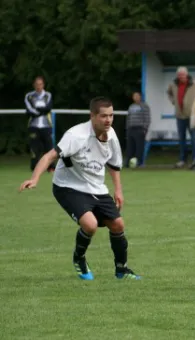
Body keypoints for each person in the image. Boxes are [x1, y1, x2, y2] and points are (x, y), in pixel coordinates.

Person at [18, 97, 141, 281]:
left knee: (118, 225)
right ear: (92, 116)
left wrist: (118, 190)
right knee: (90, 225)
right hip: (68, 186)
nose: (108, 120)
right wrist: (34, 179)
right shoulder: (76, 136)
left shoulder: (111, 135)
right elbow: (49, 157)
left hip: (96, 187)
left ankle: (121, 270)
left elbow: (114, 165)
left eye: (111, 115)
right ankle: (79, 258)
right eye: (103, 116)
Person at [166, 66, 195, 168]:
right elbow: (169, 93)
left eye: (183, 75)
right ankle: (182, 160)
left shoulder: (194, 84)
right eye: (179, 75)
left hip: (191, 115)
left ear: (187, 75)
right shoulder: (173, 85)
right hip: (179, 116)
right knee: (182, 139)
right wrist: (173, 101)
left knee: (194, 139)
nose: (181, 77)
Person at [25, 76, 55, 172]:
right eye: (37, 84)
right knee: (34, 148)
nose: (38, 86)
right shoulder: (29, 96)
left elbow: (48, 108)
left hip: (46, 126)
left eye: (40, 84)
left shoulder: (48, 95)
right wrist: (41, 111)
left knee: (49, 148)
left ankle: (50, 167)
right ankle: (35, 168)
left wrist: (37, 110)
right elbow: (29, 110)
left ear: (43, 85)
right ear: (34, 85)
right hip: (33, 126)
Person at [125, 91, 151, 168]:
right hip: (131, 129)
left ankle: (139, 163)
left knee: (139, 147)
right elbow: (128, 118)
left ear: (140, 97)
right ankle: (128, 162)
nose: (135, 97)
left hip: (139, 128)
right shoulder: (131, 106)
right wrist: (127, 128)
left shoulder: (144, 106)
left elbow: (147, 118)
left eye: (137, 96)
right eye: (134, 96)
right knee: (130, 147)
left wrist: (145, 128)